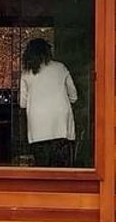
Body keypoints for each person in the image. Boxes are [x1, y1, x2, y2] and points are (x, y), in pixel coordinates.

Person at [17, 36, 78, 167]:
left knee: (42, 167)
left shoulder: (26, 73)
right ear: (47, 52)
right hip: (60, 125)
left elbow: (22, 102)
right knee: (62, 168)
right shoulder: (60, 68)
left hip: (38, 126)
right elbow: (74, 96)